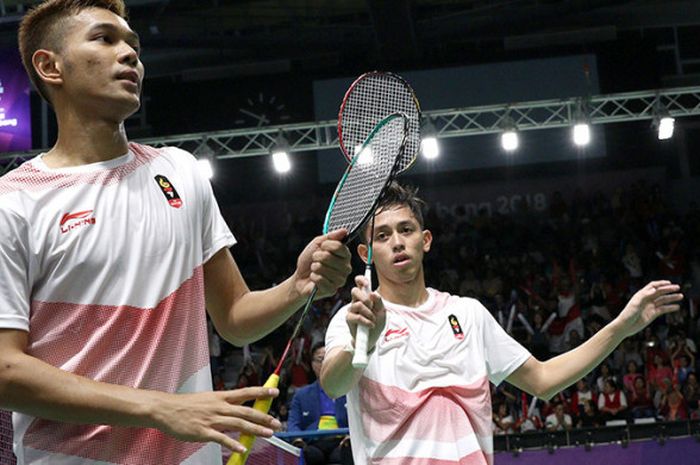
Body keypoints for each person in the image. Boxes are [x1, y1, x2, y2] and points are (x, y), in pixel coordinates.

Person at [0, 1, 351, 464]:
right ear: (50, 66)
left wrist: (297, 286)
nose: (129, 55)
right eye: (105, 39)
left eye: (134, 45)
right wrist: (160, 409)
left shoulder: (179, 173)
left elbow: (234, 317)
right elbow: (6, 369)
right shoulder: (16, 201)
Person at [320, 182, 682, 464]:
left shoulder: (468, 314)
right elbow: (335, 385)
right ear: (366, 254)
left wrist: (620, 326)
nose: (397, 242)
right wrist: (363, 342)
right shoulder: (356, 317)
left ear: (425, 240)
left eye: (406, 230)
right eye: (382, 235)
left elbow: (544, 380)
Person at [288, 343, 351, 465]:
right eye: (320, 359)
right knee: (310, 456)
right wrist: (298, 440)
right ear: (312, 364)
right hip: (313, 443)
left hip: (342, 442)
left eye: (329, 358)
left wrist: (350, 437)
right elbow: (293, 423)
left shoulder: (349, 392)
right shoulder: (301, 395)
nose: (324, 363)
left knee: (343, 454)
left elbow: (359, 420)